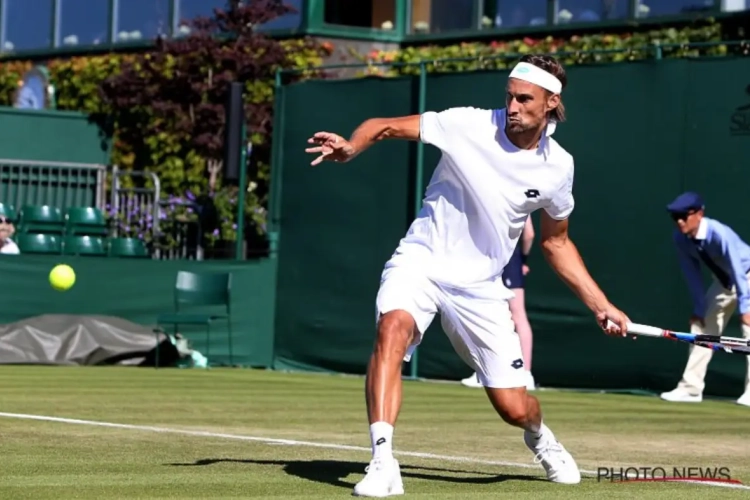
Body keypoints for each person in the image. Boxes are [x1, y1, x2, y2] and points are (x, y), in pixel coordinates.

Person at [305, 54, 629, 497]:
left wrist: (601, 305)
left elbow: (556, 242)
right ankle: (382, 461)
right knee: (391, 329)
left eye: (524, 98)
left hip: (481, 288)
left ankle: (541, 438)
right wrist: (351, 147)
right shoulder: (467, 124)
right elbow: (384, 125)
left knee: (514, 407)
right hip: (421, 260)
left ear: (551, 103)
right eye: (509, 96)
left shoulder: (558, 167)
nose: (512, 106)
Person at [660, 192, 750, 407]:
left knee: (749, 330)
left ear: (699, 214)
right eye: (675, 217)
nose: (680, 221)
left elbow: (738, 268)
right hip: (724, 282)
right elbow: (691, 273)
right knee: (700, 328)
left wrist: (745, 307)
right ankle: (690, 389)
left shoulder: (718, 233)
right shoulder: (680, 238)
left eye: (684, 216)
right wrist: (700, 307)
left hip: (746, 275)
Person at [461, 216, 537, 390]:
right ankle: (487, 371)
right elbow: (529, 234)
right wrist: (522, 260)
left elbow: (529, 234)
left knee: (516, 314)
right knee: (486, 314)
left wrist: (522, 260)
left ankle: (525, 374)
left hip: (502, 257)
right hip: (492, 258)